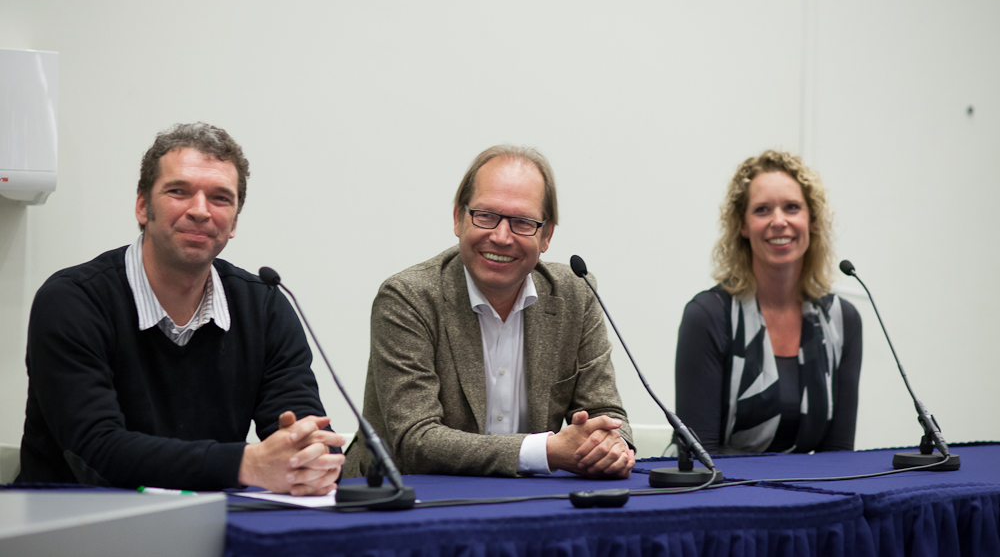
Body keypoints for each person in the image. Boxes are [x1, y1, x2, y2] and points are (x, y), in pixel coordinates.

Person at [17, 123, 344, 494]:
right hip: (71, 527)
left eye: (221, 198)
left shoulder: (264, 306)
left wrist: (310, 457)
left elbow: (300, 423)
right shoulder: (73, 301)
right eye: (179, 192)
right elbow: (98, 448)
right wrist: (246, 464)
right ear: (143, 206)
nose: (200, 211)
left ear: (234, 221)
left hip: (211, 523)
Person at [343, 145, 634, 478]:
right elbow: (415, 440)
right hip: (404, 501)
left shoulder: (574, 294)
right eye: (486, 216)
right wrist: (547, 452)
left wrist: (610, 445)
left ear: (547, 235)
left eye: (522, 222)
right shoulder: (408, 298)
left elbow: (608, 414)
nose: (501, 236)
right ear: (458, 218)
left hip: (529, 501)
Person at [675, 150, 862, 454]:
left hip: (812, 496)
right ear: (742, 225)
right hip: (723, 493)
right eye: (762, 210)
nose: (779, 221)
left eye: (791, 208)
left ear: (811, 220)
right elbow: (697, 453)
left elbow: (838, 455)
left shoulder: (842, 320)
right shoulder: (708, 316)